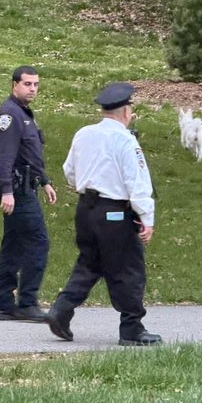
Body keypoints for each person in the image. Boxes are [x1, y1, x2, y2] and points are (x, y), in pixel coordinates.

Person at [46, 82, 162, 346]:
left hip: (86, 209)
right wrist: (147, 218)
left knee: (90, 262)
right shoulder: (125, 140)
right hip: (114, 213)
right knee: (128, 268)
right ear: (125, 112)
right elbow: (137, 183)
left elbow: (69, 171)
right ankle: (132, 328)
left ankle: (61, 310)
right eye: (131, 108)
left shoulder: (83, 134)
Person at [0, 66, 58, 321]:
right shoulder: (8, 115)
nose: (32, 89)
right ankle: (27, 302)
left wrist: (45, 181)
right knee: (37, 242)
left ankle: (4, 304)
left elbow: (31, 153)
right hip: (17, 189)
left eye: (36, 84)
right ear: (14, 85)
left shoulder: (24, 114)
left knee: (14, 245)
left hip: (27, 184)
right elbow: (3, 157)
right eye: (27, 84)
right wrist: (7, 191)